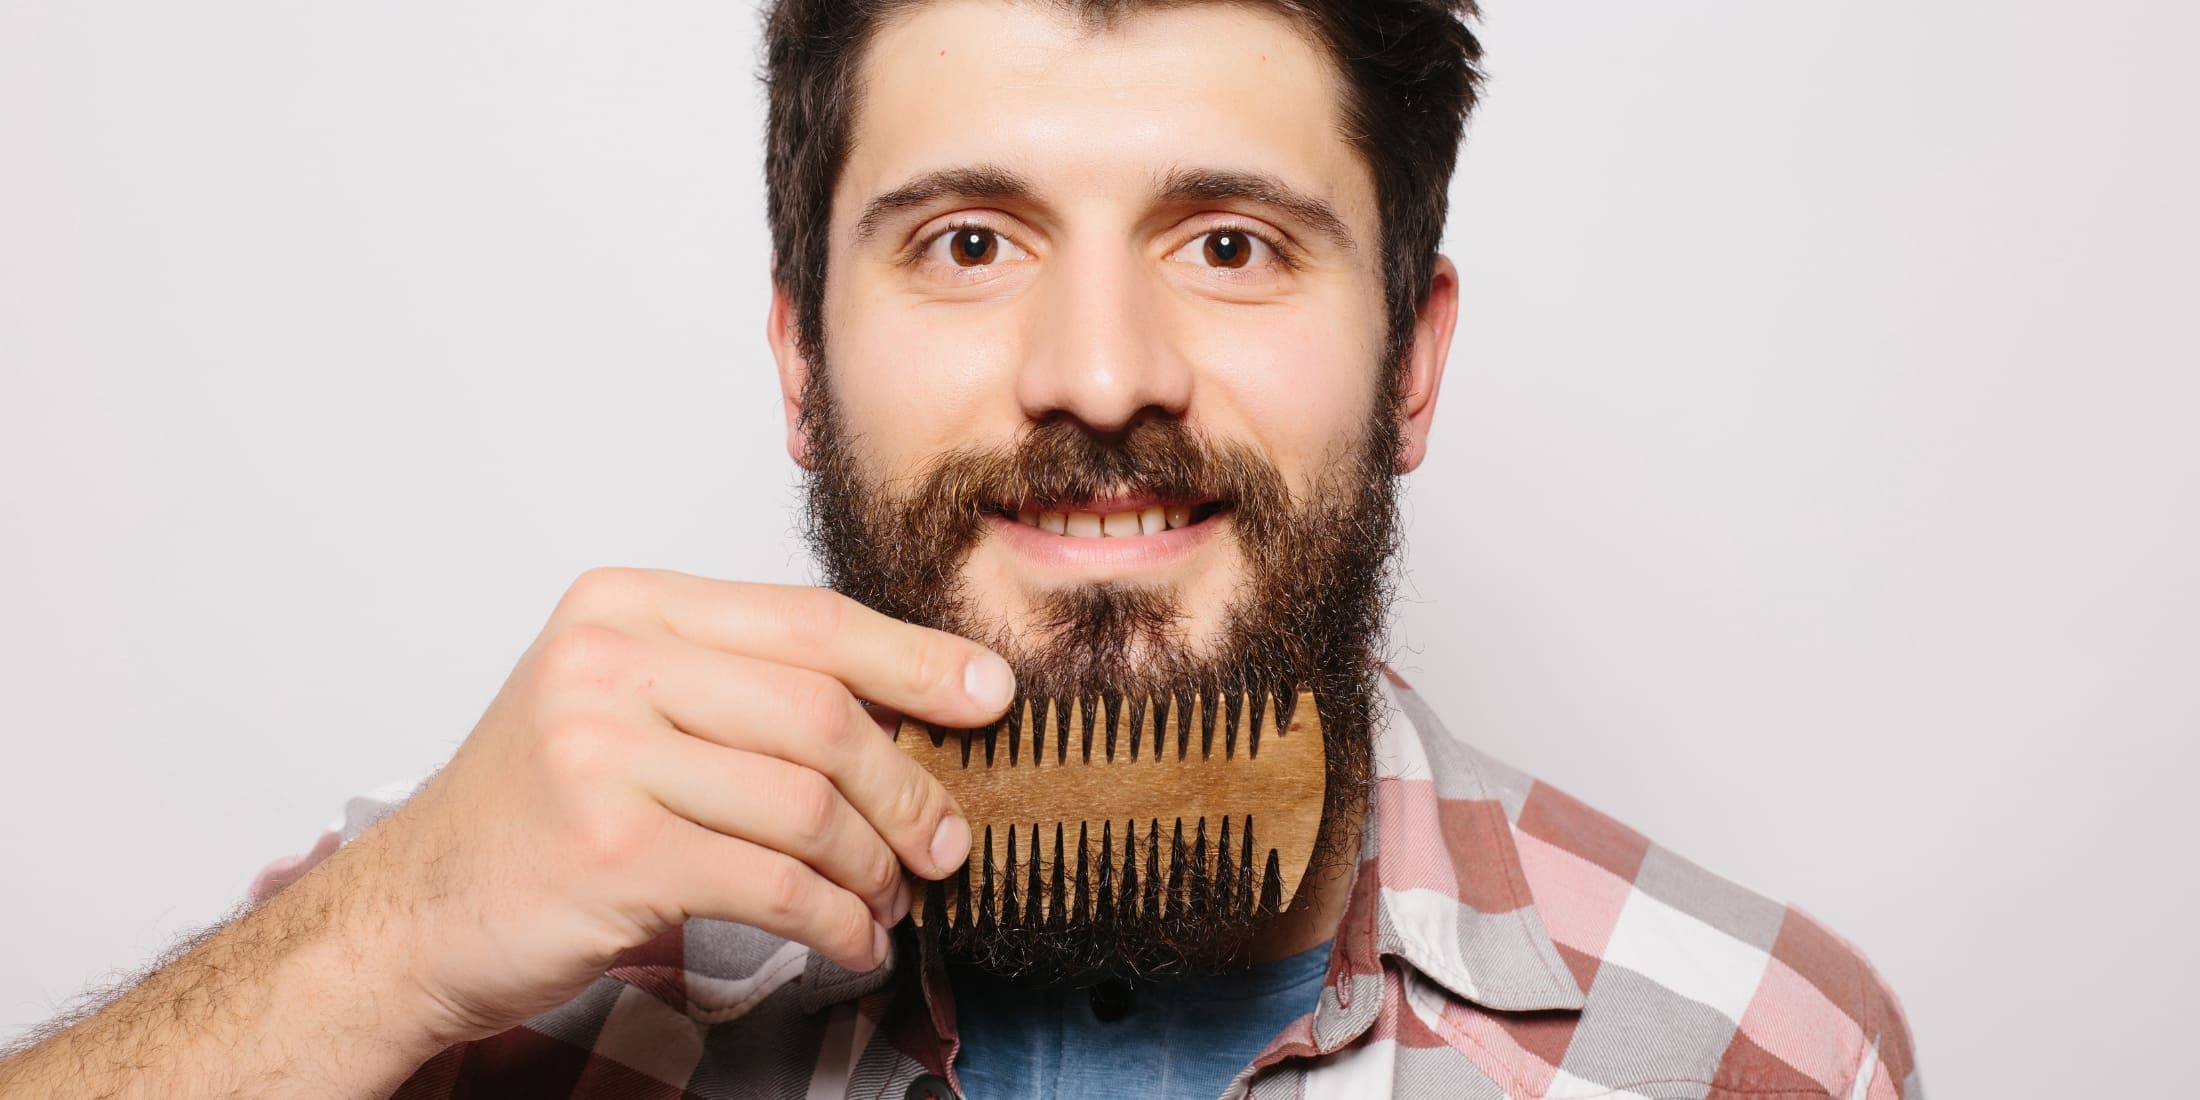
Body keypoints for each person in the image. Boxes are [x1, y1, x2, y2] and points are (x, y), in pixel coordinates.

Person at [0, 0, 1922, 1096]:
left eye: (1231, 242)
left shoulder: (1761, 1051)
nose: (1098, 376)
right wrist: (387, 936)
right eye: (969, 242)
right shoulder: (446, 977)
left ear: (1409, 365)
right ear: (800, 362)